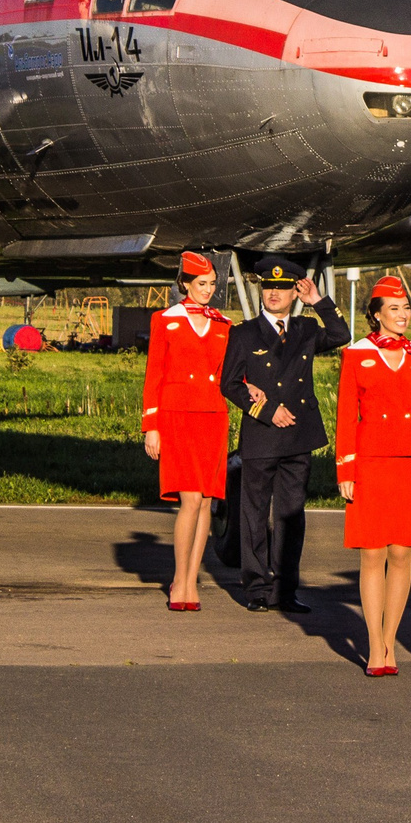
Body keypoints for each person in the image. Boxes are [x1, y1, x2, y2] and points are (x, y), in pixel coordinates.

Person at [218, 252, 349, 614]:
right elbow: (228, 384)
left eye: (282, 287)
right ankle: (257, 587)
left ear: (295, 291)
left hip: (298, 436)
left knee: (291, 516)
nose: (274, 293)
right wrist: (265, 409)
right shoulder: (243, 333)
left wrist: (319, 301)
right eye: (268, 287)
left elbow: (341, 334)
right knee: (254, 514)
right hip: (262, 434)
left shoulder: (306, 330)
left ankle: (285, 590)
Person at [336, 274, 411, 676]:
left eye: (406, 308)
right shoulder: (356, 353)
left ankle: (391, 640)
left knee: (402, 553)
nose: (403, 315)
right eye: (394, 308)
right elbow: (345, 417)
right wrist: (346, 468)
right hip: (370, 461)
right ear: (375, 315)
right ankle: (374, 644)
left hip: (409, 460)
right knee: (372, 553)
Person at [141, 251, 231, 610]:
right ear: (185, 285)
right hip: (177, 417)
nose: (207, 290)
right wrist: (152, 426)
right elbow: (154, 375)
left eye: (211, 284)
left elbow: (230, 374)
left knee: (207, 499)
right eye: (201, 284)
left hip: (212, 415)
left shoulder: (224, 323)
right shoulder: (165, 320)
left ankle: (192, 580)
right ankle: (179, 578)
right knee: (190, 499)